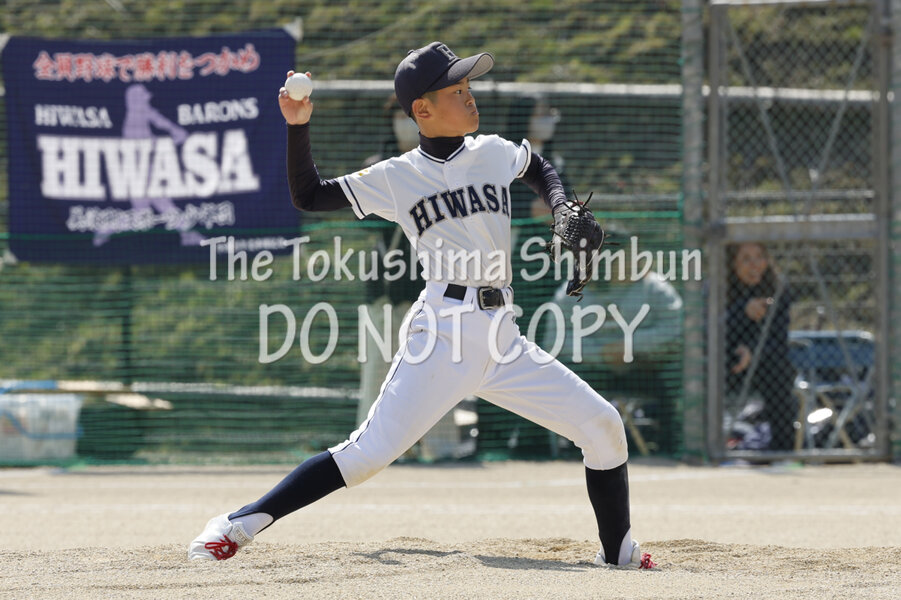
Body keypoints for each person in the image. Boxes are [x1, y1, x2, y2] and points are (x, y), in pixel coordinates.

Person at [188, 41, 653, 569]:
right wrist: (298, 126)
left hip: (503, 335)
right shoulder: (397, 175)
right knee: (365, 455)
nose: (470, 96)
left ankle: (618, 551)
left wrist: (561, 204)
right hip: (443, 333)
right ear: (423, 110)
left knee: (603, 426)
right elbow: (310, 195)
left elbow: (536, 165)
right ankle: (235, 524)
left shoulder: (492, 151)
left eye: (469, 87)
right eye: (456, 90)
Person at [546, 226, 684, 454]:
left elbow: (675, 328)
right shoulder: (572, 291)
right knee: (564, 378)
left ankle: (671, 446)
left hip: (645, 368)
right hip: (592, 370)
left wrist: (630, 346)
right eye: (625, 257)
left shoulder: (654, 287)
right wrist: (600, 353)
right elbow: (554, 339)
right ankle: (569, 449)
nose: (635, 262)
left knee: (675, 376)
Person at [725, 242, 796, 452]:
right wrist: (742, 312)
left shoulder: (777, 289)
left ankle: (783, 451)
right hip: (727, 360)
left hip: (763, 362)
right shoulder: (718, 289)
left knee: (779, 368)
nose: (755, 265)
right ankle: (710, 445)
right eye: (746, 259)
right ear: (732, 264)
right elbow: (712, 330)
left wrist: (752, 351)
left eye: (759, 257)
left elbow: (778, 338)